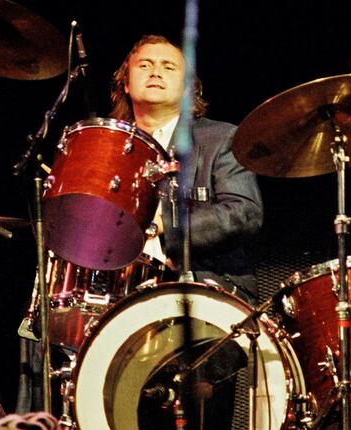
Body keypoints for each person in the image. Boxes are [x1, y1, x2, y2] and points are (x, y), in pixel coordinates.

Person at [110, 34, 263, 305]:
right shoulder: (107, 147)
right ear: (125, 83)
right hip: (116, 292)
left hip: (209, 289)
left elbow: (243, 213)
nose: (156, 71)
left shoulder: (221, 138)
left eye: (169, 67)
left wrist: (160, 225)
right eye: (144, 65)